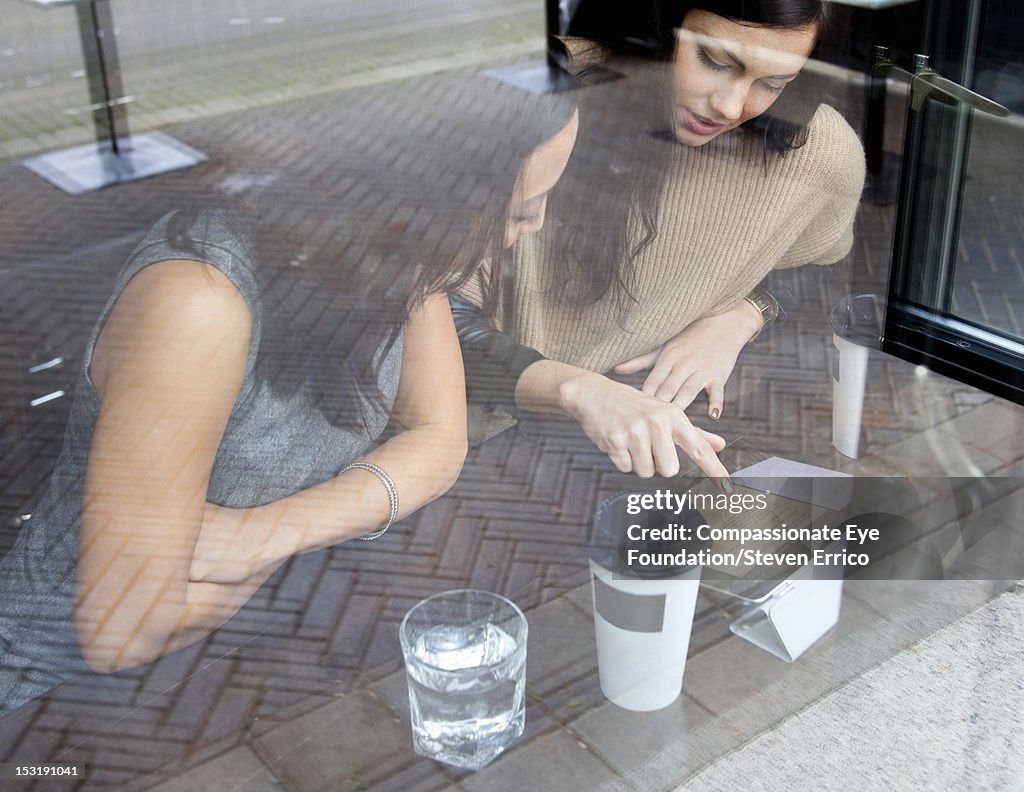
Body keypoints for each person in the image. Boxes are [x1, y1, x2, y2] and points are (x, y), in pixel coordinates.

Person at [0, 74, 579, 715]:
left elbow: (439, 438)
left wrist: (266, 536)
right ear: (429, 196)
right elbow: (122, 629)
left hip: (219, 647)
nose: (533, 228)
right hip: (52, 693)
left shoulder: (395, 260)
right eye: (523, 208)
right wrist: (325, 522)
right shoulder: (200, 303)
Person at [453, 0, 865, 481]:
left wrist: (742, 316)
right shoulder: (552, 94)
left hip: (629, 435)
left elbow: (823, 264)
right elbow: (421, 314)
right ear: (658, 29)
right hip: (462, 426)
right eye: (714, 62)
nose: (732, 107)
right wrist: (577, 389)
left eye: (772, 84)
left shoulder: (819, 155)